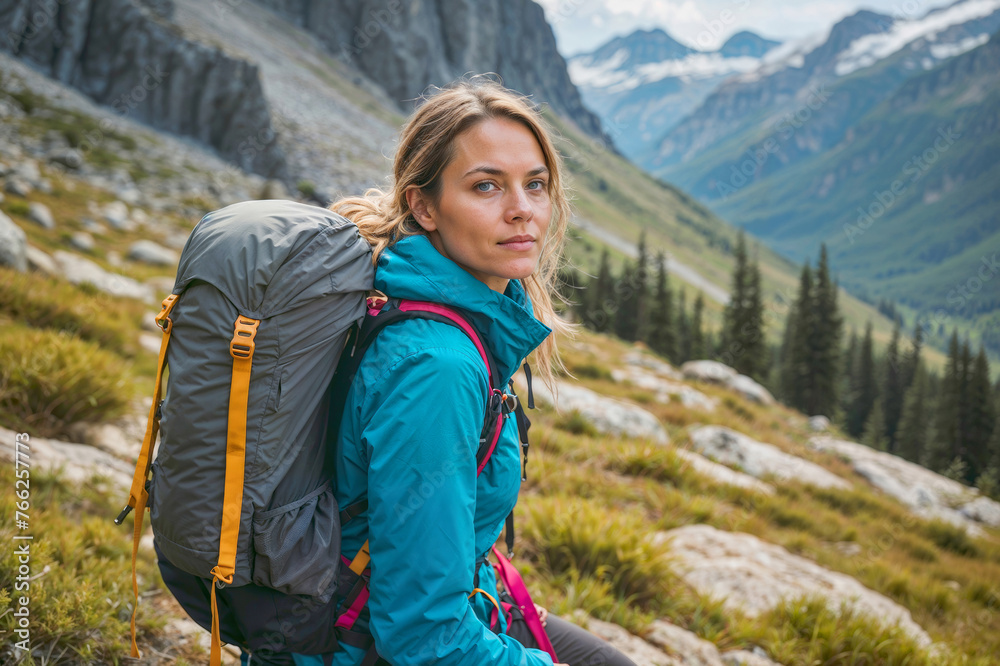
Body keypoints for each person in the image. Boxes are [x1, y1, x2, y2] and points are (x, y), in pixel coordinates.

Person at [287, 78, 637, 666]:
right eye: (485, 186)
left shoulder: (428, 304)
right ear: (424, 206)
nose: (522, 209)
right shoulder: (437, 367)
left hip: (407, 607)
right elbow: (424, 639)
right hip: (357, 646)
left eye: (535, 184)